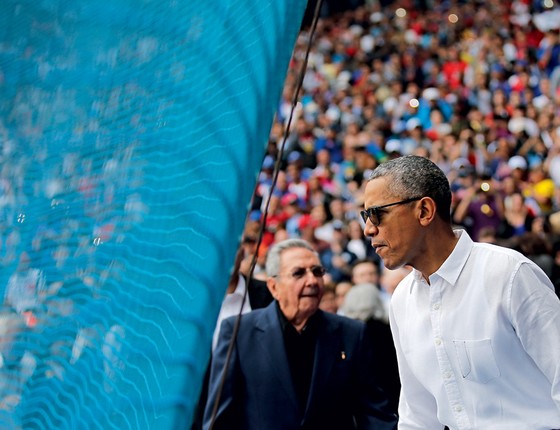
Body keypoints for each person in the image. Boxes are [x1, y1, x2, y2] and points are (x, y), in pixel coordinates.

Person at [361, 155, 560, 429]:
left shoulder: (509, 274)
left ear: (424, 211)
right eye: (365, 216)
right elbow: (417, 416)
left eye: (377, 214)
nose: (368, 228)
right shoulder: (401, 300)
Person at [203, 238, 398, 430]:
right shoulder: (238, 332)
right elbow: (220, 419)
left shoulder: (352, 333)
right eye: (298, 273)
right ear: (273, 287)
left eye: (317, 271)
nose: (312, 280)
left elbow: (375, 414)